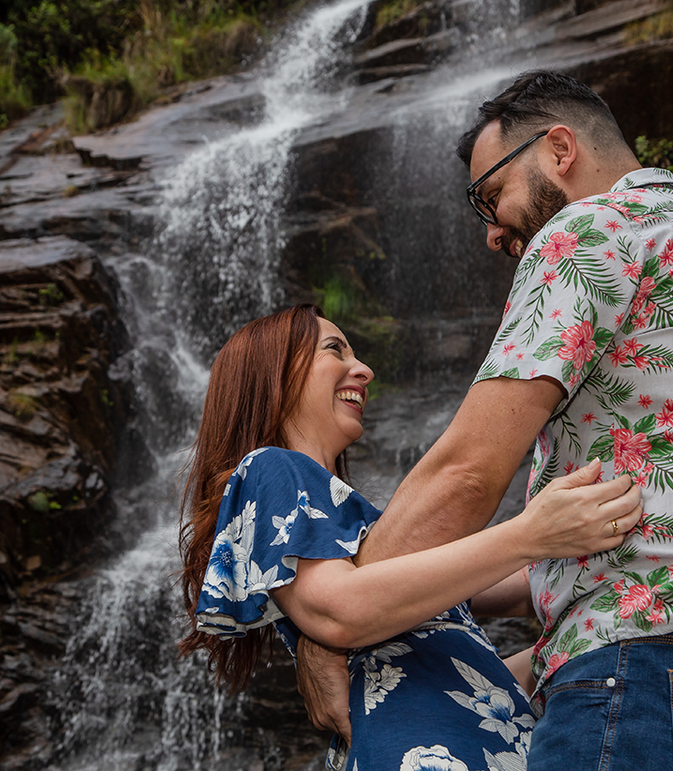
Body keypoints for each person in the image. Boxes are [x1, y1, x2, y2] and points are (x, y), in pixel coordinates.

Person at [296, 71, 673, 770]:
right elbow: (648, 519)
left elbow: (467, 471)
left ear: (559, 148)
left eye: (492, 198)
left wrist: (334, 618)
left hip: (654, 665)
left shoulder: (587, 230)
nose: (491, 233)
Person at [178, 303, 642, 771]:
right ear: (272, 372)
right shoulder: (268, 467)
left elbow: (479, 652)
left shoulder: (359, 531)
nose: (364, 369)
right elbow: (340, 609)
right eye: (334, 349)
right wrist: (529, 533)